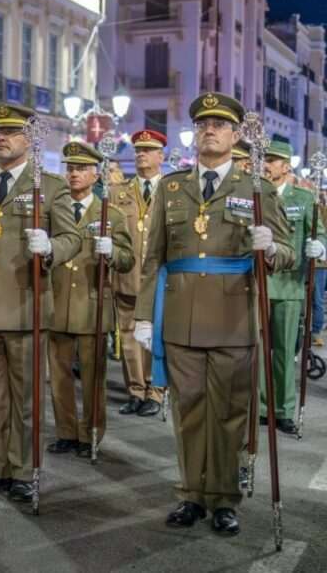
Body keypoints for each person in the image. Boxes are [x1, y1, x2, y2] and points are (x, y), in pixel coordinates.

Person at [134, 92, 294, 536]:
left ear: (235, 135)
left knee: (227, 415)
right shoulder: (171, 187)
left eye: (219, 125)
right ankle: (191, 494)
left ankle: (224, 498)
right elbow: (153, 259)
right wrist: (145, 317)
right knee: (188, 412)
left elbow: (288, 253)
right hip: (181, 318)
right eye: (203, 123)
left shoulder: (256, 189)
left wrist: (271, 247)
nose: (210, 129)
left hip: (233, 320)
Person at [0, 103, 81, 502]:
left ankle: (25, 470)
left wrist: (51, 247)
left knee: (25, 399)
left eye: (10, 131)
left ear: (30, 139)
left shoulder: (50, 185)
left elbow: (73, 238)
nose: (1, 137)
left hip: (27, 305)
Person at [46, 141, 133, 456]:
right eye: (70, 168)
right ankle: (67, 432)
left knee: (94, 378)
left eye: (81, 169)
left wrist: (113, 253)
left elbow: (128, 260)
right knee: (58, 375)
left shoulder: (113, 214)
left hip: (92, 302)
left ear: (96, 176)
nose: (74, 174)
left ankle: (91, 434)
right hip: (57, 302)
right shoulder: (53, 209)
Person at [262, 139, 325, 434]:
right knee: (261, 350)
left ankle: (283, 409)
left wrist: (319, 248)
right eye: (266, 158)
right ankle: (263, 407)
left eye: (273, 160)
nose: (267, 164)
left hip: (288, 285)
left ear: (286, 166)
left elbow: (321, 235)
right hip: (259, 283)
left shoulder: (303, 197)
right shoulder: (256, 193)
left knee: (285, 351)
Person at [109, 130, 168, 417]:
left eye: (148, 149)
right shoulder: (117, 192)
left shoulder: (172, 191)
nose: (141, 154)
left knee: (156, 336)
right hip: (127, 276)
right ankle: (135, 390)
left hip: (159, 279)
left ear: (161, 156)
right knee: (130, 338)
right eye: (138, 149)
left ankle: (156, 391)